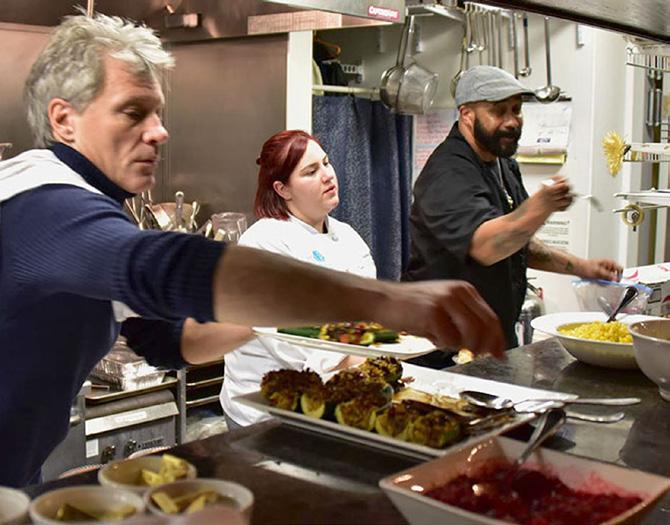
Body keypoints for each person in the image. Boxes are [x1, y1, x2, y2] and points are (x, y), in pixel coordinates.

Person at [0, 13, 505, 487]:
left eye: (157, 112)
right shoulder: (40, 201)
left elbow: (174, 342)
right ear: (64, 121)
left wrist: (282, 316)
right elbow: (166, 267)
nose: (158, 131)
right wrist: (384, 301)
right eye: (133, 112)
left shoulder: (88, 211)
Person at [404, 65, 622, 348]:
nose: (512, 121)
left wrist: (583, 267)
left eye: (516, 110)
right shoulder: (447, 173)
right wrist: (540, 207)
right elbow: (486, 247)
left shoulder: (502, 164)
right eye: (498, 111)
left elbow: (516, 244)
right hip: (441, 344)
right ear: (467, 114)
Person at [220, 130, 375, 427]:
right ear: (283, 189)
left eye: (326, 163)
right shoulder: (263, 244)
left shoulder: (348, 238)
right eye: (311, 171)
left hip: (330, 402)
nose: (328, 175)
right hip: (264, 413)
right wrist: (365, 356)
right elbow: (292, 341)